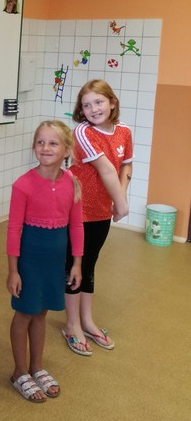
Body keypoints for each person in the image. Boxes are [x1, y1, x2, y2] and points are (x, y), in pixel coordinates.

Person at [7, 121, 83, 403]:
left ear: (66, 150)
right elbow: (13, 229)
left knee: (41, 313)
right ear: (34, 147)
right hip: (29, 261)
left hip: (55, 261)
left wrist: (76, 264)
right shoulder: (23, 185)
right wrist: (13, 270)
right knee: (24, 313)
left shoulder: (72, 183)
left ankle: (36, 367)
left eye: (53, 143)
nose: (46, 148)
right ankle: (19, 371)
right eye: (40, 142)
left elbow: (76, 227)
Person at [63, 79, 133, 355]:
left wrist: (119, 200)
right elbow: (106, 169)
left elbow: (125, 166)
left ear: (112, 102)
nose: (93, 109)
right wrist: (122, 205)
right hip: (77, 210)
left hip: (102, 211)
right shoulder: (83, 131)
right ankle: (71, 325)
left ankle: (87, 321)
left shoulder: (124, 131)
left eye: (99, 102)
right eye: (86, 105)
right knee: (74, 265)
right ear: (81, 110)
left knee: (90, 264)